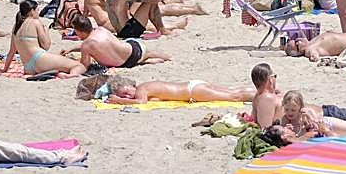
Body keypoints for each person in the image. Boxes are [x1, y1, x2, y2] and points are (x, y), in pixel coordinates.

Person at [3, 0, 89, 77]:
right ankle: (70, 75)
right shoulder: (35, 22)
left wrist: (5, 69)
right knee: (79, 66)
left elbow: (12, 51)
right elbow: (46, 46)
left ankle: (58, 72)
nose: (38, 13)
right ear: (32, 11)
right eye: (37, 10)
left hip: (27, 67)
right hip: (39, 58)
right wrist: (46, 31)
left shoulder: (16, 26)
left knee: (61, 65)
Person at [66, 15, 170, 68]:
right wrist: (71, 49)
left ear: (80, 31)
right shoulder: (101, 29)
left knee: (141, 59)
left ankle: (148, 60)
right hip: (135, 48)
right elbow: (99, 45)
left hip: (127, 63)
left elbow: (84, 65)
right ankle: (168, 58)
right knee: (148, 54)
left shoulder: (86, 45)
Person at [106, 77, 255, 105]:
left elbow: (141, 102)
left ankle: (261, 95)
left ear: (131, 85)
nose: (128, 96)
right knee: (233, 90)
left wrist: (119, 100)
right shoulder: (147, 86)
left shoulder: (141, 89)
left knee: (235, 97)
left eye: (126, 92)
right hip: (193, 85)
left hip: (193, 92)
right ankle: (261, 90)